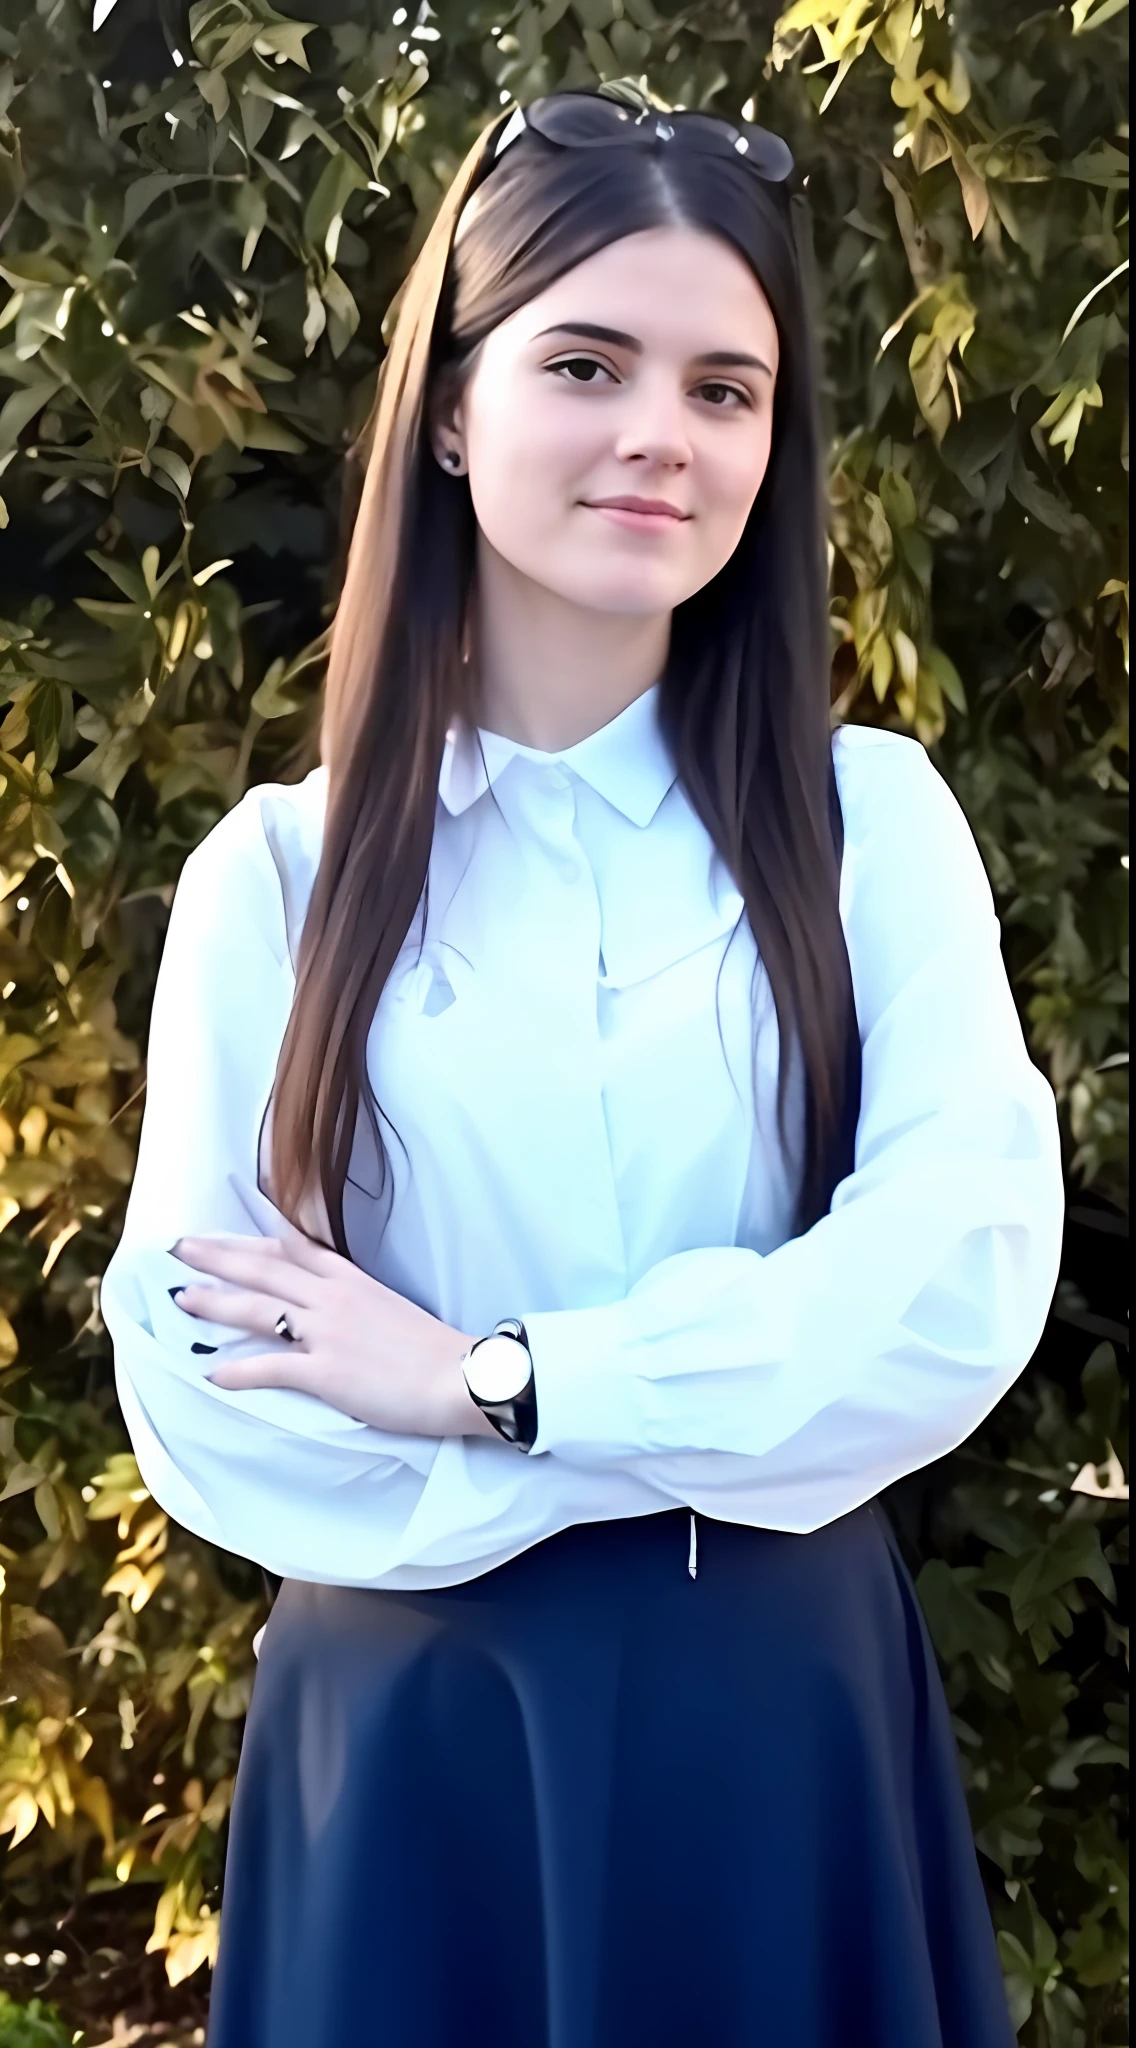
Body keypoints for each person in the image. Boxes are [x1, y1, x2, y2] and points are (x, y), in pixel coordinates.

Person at [99, 83, 1064, 2048]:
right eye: (586, 361)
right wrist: (727, 1407)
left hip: (774, 1724)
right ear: (451, 412)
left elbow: (954, 1275)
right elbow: (220, 1394)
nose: (659, 433)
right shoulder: (277, 879)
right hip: (416, 1738)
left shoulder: (865, 824)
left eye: (726, 388)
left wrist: (492, 1383)